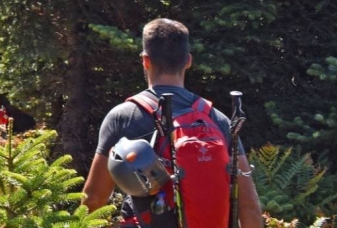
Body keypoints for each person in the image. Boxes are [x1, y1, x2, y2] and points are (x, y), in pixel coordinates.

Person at [81, 18, 263, 228]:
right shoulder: (217, 119)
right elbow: (249, 207)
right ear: (188, 61)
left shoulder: (124, 117)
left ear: (145, 60)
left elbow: (94, 199)